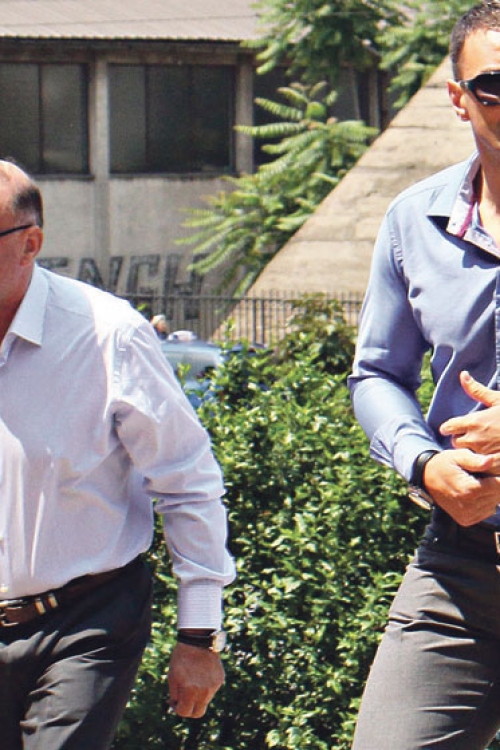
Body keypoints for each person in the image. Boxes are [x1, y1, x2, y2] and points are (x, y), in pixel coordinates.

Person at [0, 158, 235, 750]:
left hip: (84, 620)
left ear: (30, 244)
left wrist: (199, 635)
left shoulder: (107, 334)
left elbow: (187, 480)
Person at [349, 3, 500, 748]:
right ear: (458, 97)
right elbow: (376, 373)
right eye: (496, 84)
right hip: (462, 564)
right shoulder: (414, 220)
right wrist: (423, 462)